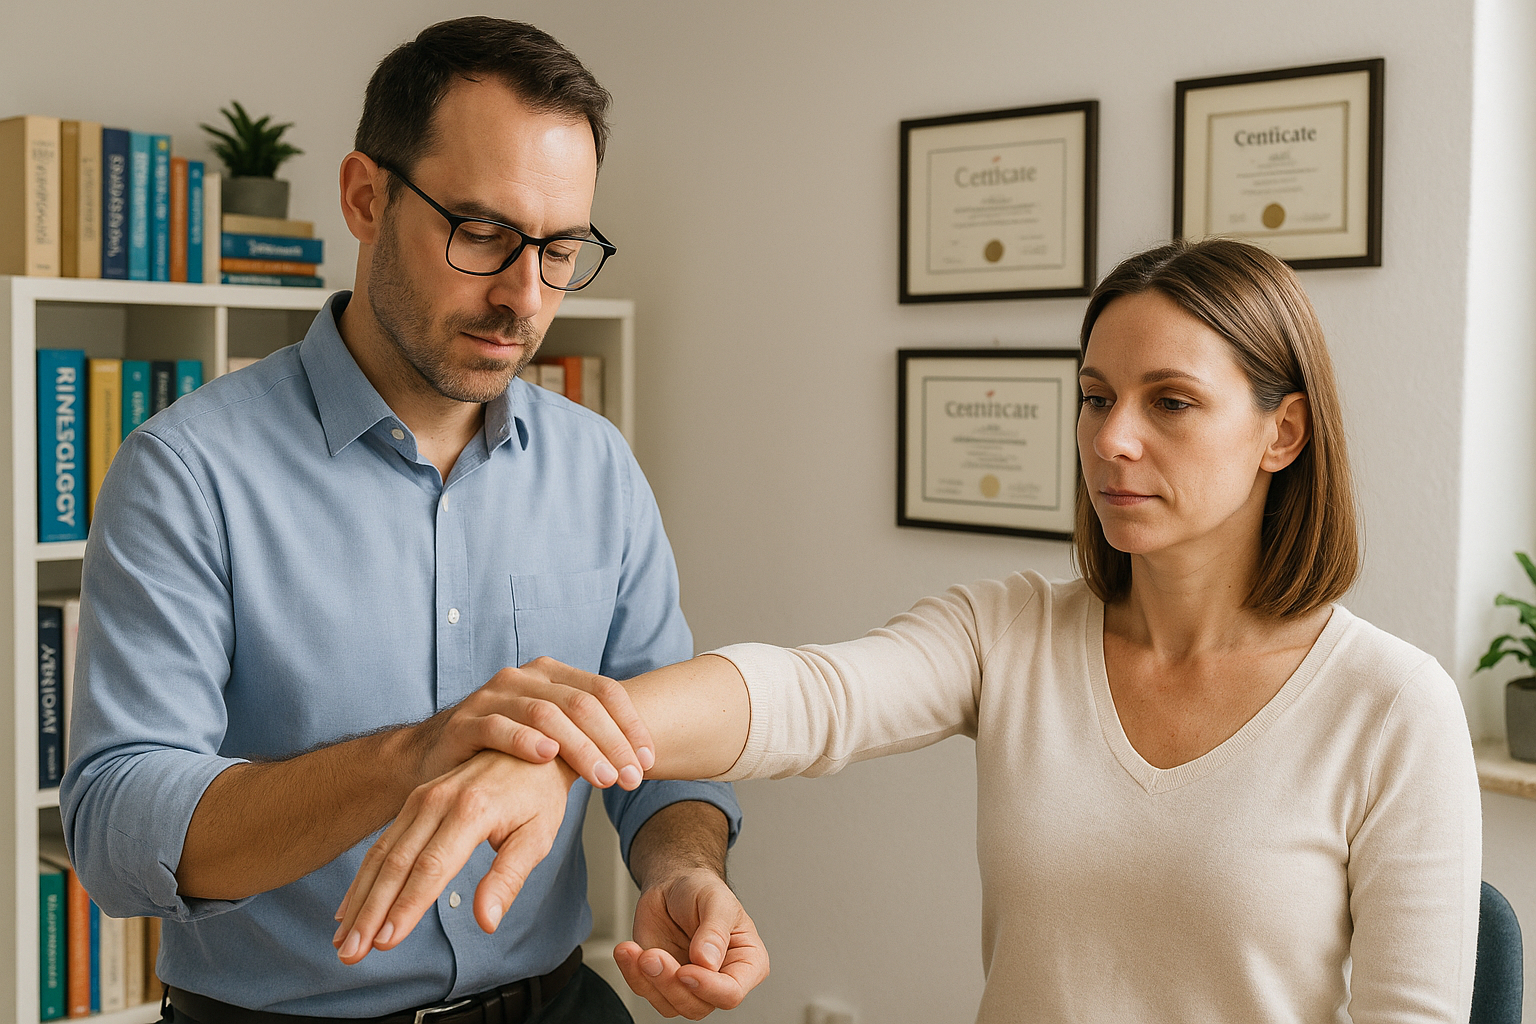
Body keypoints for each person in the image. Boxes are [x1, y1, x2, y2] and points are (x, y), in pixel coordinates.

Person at [337, 238, 1483, 1023]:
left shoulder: (1391, 707)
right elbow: (803, 695)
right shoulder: (1016, 634)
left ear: (1282, 433)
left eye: (1169, 402)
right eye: (1095, 396)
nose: (1113, 439)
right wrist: (560, 742)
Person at [60, 17, 766, 1024]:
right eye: (481, 232)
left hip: (559, 1003)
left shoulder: (598, 465)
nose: (523, 296)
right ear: (364, 196)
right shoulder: (186, 472)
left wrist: (681, 866)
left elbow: (659, 754)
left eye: (560, 250)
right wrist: (417, 752)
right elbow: (122, 832)